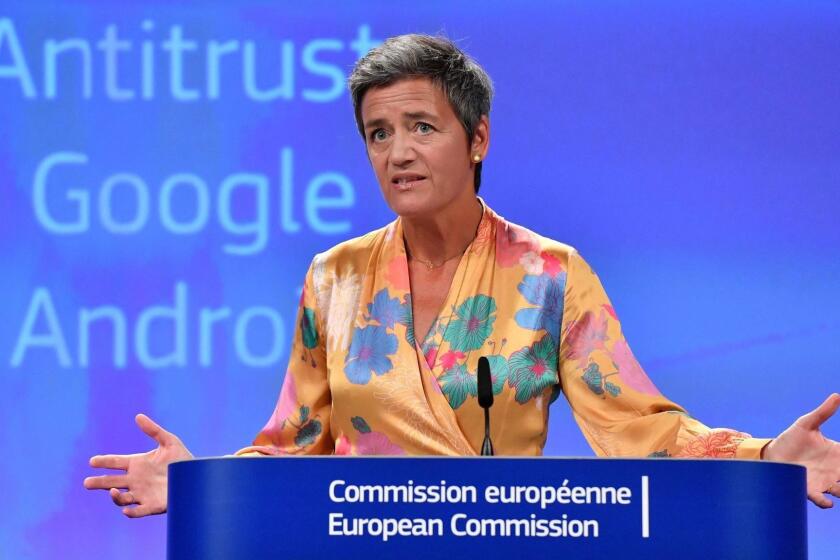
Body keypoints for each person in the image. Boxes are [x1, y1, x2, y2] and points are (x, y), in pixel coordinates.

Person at [84, 34, 840, 518]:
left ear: (477, 138)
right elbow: (293, 447)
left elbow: (640, 428)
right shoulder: (335, 277)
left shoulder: (549, 273)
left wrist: (767, 455)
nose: (397, 152)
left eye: (421, 127)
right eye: (378, 134)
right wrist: (197, 486)